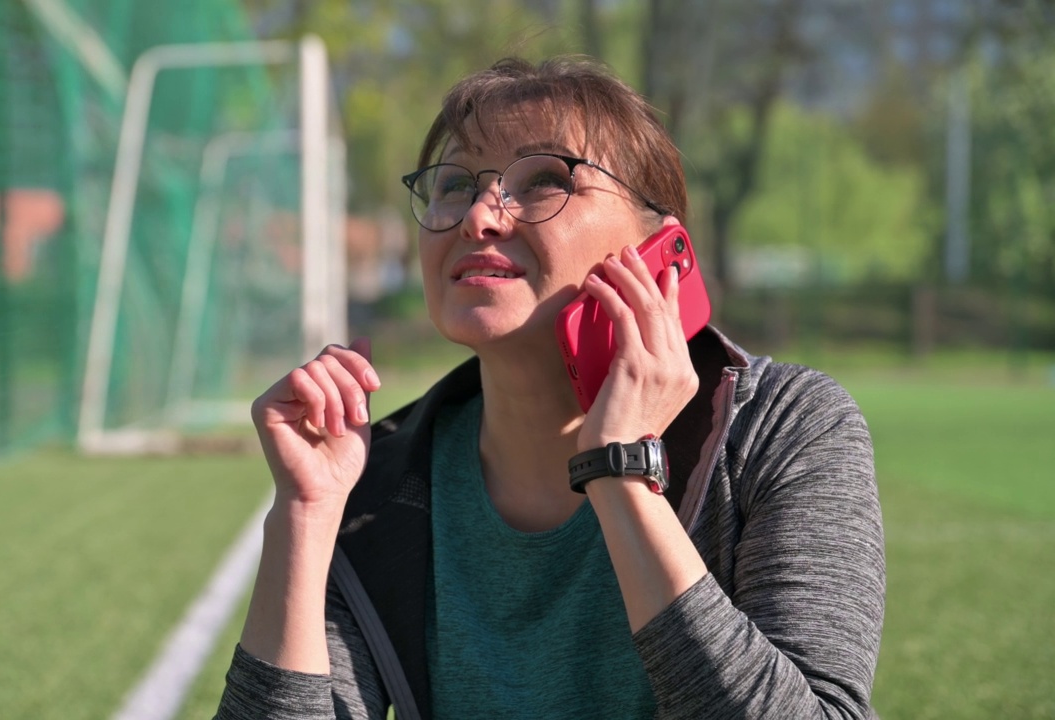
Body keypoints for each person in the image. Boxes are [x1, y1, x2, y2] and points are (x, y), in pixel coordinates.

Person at [215, 56, 884, 720]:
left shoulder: (786, 428)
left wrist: (621, 470)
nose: (479, 216)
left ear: (663, 250)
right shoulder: (380, 482)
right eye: (453, 184)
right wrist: (305, 514)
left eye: (541, 181)